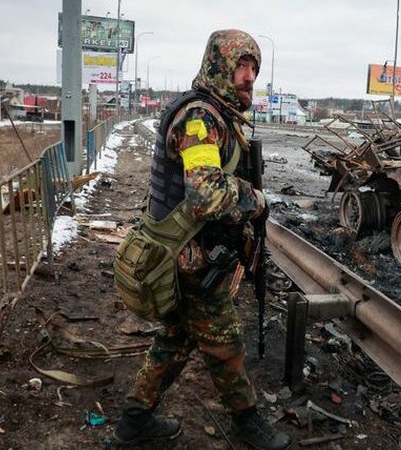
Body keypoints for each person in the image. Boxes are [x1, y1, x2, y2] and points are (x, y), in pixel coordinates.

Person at [112, 29, 291, 450]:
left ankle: (134, 421)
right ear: (219, 67)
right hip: (185, 254)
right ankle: (248, 423)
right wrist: (258, 199)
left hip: (192, 250)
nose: (249, 77)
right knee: (223, 339)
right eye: (241, 67)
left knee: (178, 337)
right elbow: (206, 192)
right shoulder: (200, 118)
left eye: (253, 68)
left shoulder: (219, 113)